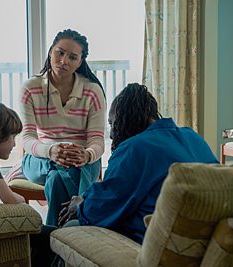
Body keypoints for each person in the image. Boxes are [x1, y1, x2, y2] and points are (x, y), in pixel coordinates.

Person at [58, 83, 219, 244]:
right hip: (204, 240)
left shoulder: (134, 148)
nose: (112, 134)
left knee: (71, 227)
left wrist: (80, 205)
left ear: (125, 120)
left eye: (112, 124)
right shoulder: (193, 137)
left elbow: (101, 208)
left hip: (152, 243)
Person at [19, 29, 106, 226]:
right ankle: (83, 214)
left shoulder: (92, 92)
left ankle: (50, 236)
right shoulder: (30, 89)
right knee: (60, 169)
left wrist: (88, 155)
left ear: (80, 62)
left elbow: (97, 140)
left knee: (57, 180)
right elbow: (28, 138)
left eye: (72, 57)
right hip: (40, 158)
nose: (64, 60)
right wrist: (51, 151)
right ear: (50, 52)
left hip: (82, 159)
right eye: (60, 53)